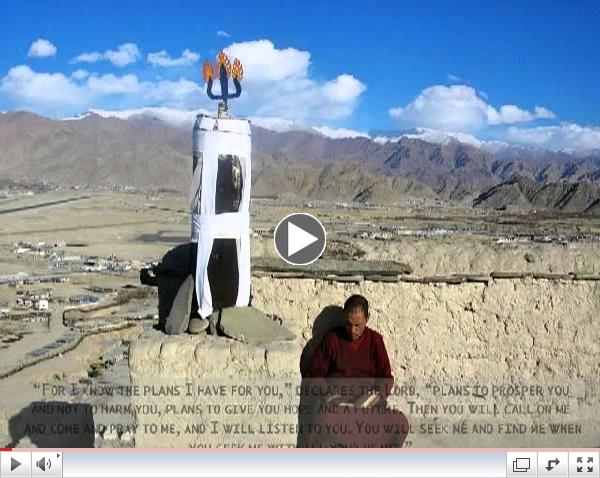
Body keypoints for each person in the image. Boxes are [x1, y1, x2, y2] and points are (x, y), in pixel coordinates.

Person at [301, 294, 408, 447]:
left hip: (367, 407)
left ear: (367, 318)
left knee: (399, 422)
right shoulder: (332, 339)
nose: (352, 330)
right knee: (326, 419)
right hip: (338, 406)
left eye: (357, 325)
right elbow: (314, 374)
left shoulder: (375, 341)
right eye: (348, 323)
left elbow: (386, 378)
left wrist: (371, 399)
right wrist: (328, 395)